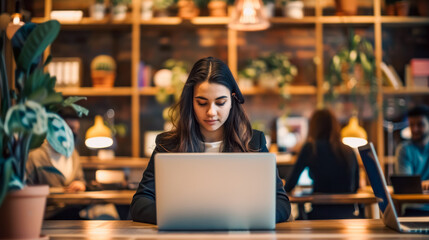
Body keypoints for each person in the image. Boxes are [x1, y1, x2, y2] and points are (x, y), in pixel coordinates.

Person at [130, 57, 291, 224]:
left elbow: (281, 203)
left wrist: (242, 218)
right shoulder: (167, 145)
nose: (211, 112)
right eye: (202, 103)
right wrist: (180, 218)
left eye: (220, 103)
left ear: (232, 101)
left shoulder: (253, 142)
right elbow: (140, 203)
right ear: (191, 102)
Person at [284, 109, 360, 219]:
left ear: (314, 127)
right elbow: (356, 186)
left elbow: (290, 185)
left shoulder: (311, 148)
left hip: (320, 215)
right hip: (348, 215)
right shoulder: (348, 151)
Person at [395, 105, 429, 216]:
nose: (414, 129)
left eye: (420, 124)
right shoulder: (404, 149)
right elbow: (407, 185)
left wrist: (418, 185)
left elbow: (411, 185)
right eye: (411, 125)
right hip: (414, 210)